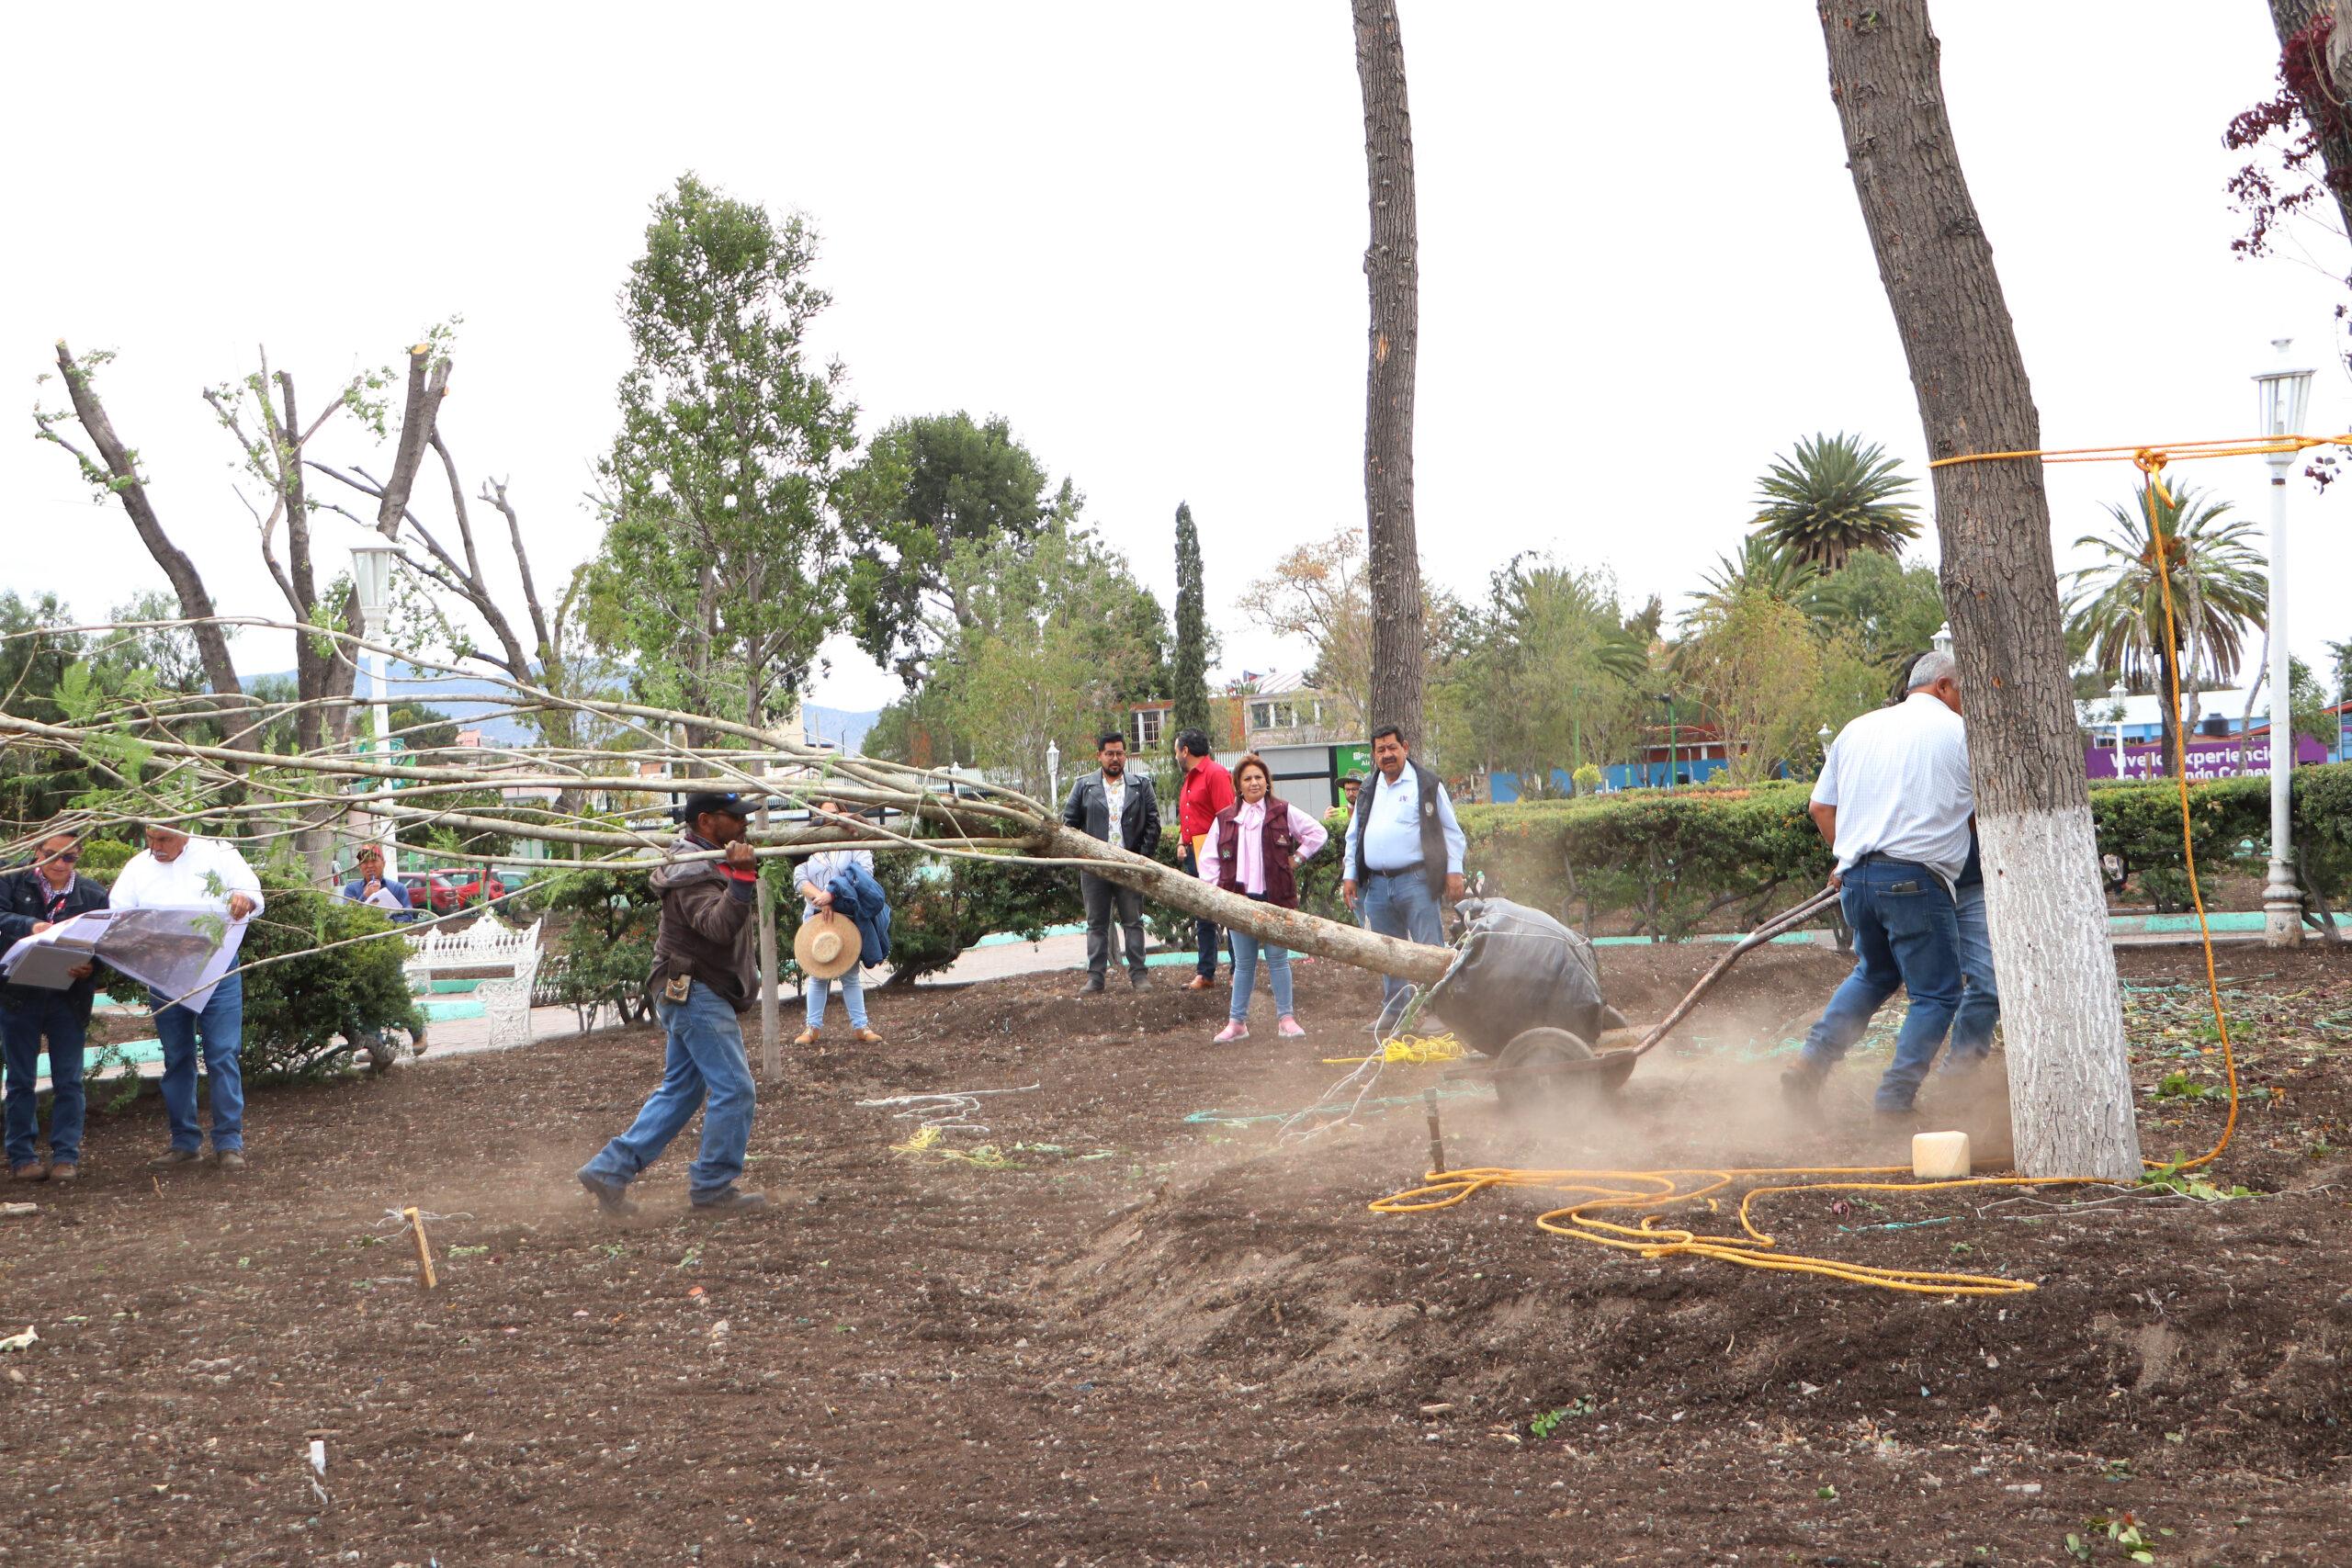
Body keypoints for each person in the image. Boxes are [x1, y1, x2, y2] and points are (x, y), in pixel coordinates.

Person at [1783, 649, 1973, 1116]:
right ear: (1944, 686)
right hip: (1916, 883)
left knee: (1874, 973)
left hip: (1857, 880)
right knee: (1937, 993)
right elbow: (1978, 815)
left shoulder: (1858, 728)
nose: (1966, 705)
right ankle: (1894, 1099)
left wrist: (1843, 858)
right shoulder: (1961, 733)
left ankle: (1812, 1061)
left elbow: (1820, 808)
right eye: (1962, 694)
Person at [577, 792, 767, 1215]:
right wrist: (741, 878)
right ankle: (713, 1188)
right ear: (705, 822)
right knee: (735, 1089)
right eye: (733, 817)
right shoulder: (690, 870)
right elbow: (717, 927)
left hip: (692, 989)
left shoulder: (711, 856)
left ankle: (610, 1170)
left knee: (682, 1090)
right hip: (695, 989)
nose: (744, 824)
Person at [110, 823, 263, 1171]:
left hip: (217, 967)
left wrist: (244, 900)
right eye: (149, 838)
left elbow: (253, 893)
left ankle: (228, 1142)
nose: (155, 847)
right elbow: (119, 914)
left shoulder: (219, 853)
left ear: (185, 833)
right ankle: (184, 1142)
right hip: (164, 972)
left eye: (163, 839)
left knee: (222, 1053)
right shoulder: (137, 868)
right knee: (177, 1057)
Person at [1, 830, 109, 1182]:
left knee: (69, 1080)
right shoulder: (12, 882)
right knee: (20, 1079)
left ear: (79, 855)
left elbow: (107, 946)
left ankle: (66, 1156)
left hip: (67, 996)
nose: (59, 865)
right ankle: (22, 1157)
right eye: (51, 856)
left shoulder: (92, 894)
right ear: (36, 851)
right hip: (19, 993)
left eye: (69, 858)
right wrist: (29, 925)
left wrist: (91, 968)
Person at [1198, 754, 1328, 1043]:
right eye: (1247, 778)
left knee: (1278, 960)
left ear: (1267, 782)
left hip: (1276, 899)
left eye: (1259, 777)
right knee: (1244, 963)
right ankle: (1237, 1023)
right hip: (1240, 902)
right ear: (1239, 785)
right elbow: (1208, 859)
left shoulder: (1282, 812)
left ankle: (1286, 1018)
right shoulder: (1226, 818)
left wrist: (1297, 858)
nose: (1254, 782)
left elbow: (1318, 833)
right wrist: (1219, 894)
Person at [1340, 725, 1466, 1022]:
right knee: (1388, 951)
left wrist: (1454, 872)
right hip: (1378, 885)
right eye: (1381, 750)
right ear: (1374, 754)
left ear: (1405, 748)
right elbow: (1353, 835)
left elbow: (1452, 832)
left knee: (1430, 949)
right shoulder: (1369, 788)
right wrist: (1350, 874)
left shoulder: (1426, 784)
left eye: (1392, 748)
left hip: (1417, 881)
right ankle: (1396, 1011)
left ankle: (1438, 1013)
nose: (1387, 755)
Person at [1062, 732, 1161, 993]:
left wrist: (1140, 857)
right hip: (1094, 868)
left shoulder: (1141, 786)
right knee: (1096, 924)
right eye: (1109, 753)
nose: (1115, 758)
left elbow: (1154, 823)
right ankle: (1095, 978)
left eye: (1119, 753)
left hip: (1130, 867)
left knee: (1134, 922)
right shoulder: (1083, 786)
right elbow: (1068, 825)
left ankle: (1139, 976)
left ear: (1125, 755)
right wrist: (1083, 857)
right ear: (1100, 756)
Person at [794, 799, 886, 1046]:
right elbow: (799, 876)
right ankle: (812, 1027)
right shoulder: (810, 842)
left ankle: (861, 1026)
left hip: (848, 916)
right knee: (818, 974)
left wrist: (834, 895)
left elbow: (863, 874)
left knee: (850, 975)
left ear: (844, 814)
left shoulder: (854, 842)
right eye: (823, 815)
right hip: (817, 916)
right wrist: (821, 899)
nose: (830, 819)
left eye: (835, 813)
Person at [1172, 729, 1236, 993]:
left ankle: (1238, 970)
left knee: (1230, 913)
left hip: (1214, 854)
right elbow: (1190, 818)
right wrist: (1180, 841)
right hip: (1193, 853)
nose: (1176, 755)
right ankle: (1206, 972)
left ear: (1185, 750)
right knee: (1203, 915)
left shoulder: (1216, 774)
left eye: (1176, 750)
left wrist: (1224, 856)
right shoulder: (1189, 779)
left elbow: (1228, 817)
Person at [339, 844, 416, 923]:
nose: (369, 865)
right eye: (364, 862)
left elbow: (408, 918)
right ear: (360, 866)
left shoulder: (398, 888)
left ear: (383, 864)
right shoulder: (351, 889)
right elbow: (347, 918)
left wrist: (384, 921)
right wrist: (365, 896)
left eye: (374, 860)